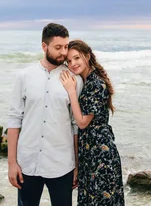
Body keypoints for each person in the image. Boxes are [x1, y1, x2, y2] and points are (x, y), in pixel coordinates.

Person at [7, 23, 83, 206]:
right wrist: (12, 163)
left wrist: (77, 165)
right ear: (44, 46)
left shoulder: (75, 80)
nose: (63, 53)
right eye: (58, 47)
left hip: (61, 164)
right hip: (28, 162)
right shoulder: (24, 76)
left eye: (66, 47)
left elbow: (75, 125)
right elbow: (14, 119)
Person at [60, 39, 125, 206]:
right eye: (69, 61)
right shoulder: (86, 81)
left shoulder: (96, 84)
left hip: (101, 155)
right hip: (89, 154)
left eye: (77, 58)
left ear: (87, 56)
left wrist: (71, 91)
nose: (73, 64)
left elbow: (82, 122)